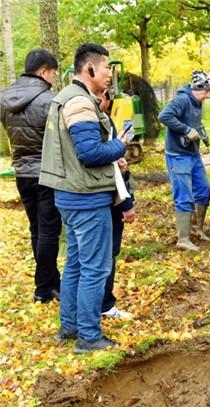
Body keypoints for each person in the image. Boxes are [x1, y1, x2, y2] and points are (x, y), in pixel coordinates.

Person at [40, 43, 129, 353]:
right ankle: (89, 337)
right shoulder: (79, 102)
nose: (109, 75)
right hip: (86, 198)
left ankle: (70, 326)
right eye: (106, 69)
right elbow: (90, 153)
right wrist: (119, 147)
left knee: (77, 263)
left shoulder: (65, 97)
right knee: (95, 268)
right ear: (90, 69)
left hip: (69, 195)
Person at [0, 49, 61, 304]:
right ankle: (43, 289)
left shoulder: (4, 98)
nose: (55, 78)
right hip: (46, 172)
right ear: (44, 71)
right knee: (49, 231)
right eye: (54, 73)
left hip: (22, 171)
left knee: (37, 228)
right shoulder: (51, 100)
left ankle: (50, 284)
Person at [158, 70, 210, 251]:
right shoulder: (182, 100)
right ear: (197, 89)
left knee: (204, 190)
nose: (207, 95)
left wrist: (201, 133)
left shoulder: (197, 102)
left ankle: (197, 229)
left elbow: (194, 122)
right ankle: (183, 238)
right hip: (178, 155)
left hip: (193, 154)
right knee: (184, 196)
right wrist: (185, 130)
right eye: (205, 91)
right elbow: (164, 116)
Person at [98, 89, 135, 320]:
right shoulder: (95, 122)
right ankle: (104, 305)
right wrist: (126, 204)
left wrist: (119, 162)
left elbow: (110, 161)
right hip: (105, 197)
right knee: (105, 254)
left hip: (103, 193)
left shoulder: (105, 120)